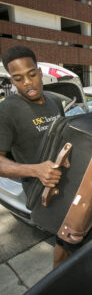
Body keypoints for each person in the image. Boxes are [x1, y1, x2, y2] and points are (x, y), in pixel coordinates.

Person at [0, 45, 68, 267]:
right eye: (18, 78)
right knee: (67, 239)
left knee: (75, 236)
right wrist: (35, 170)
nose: (27, 83)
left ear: (39, 72)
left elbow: (64, 137)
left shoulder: (55, 101)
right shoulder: (7, 110)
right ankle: (57, 286)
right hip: (42, 193)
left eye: (31, 75)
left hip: (68, 182)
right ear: (12, 80)